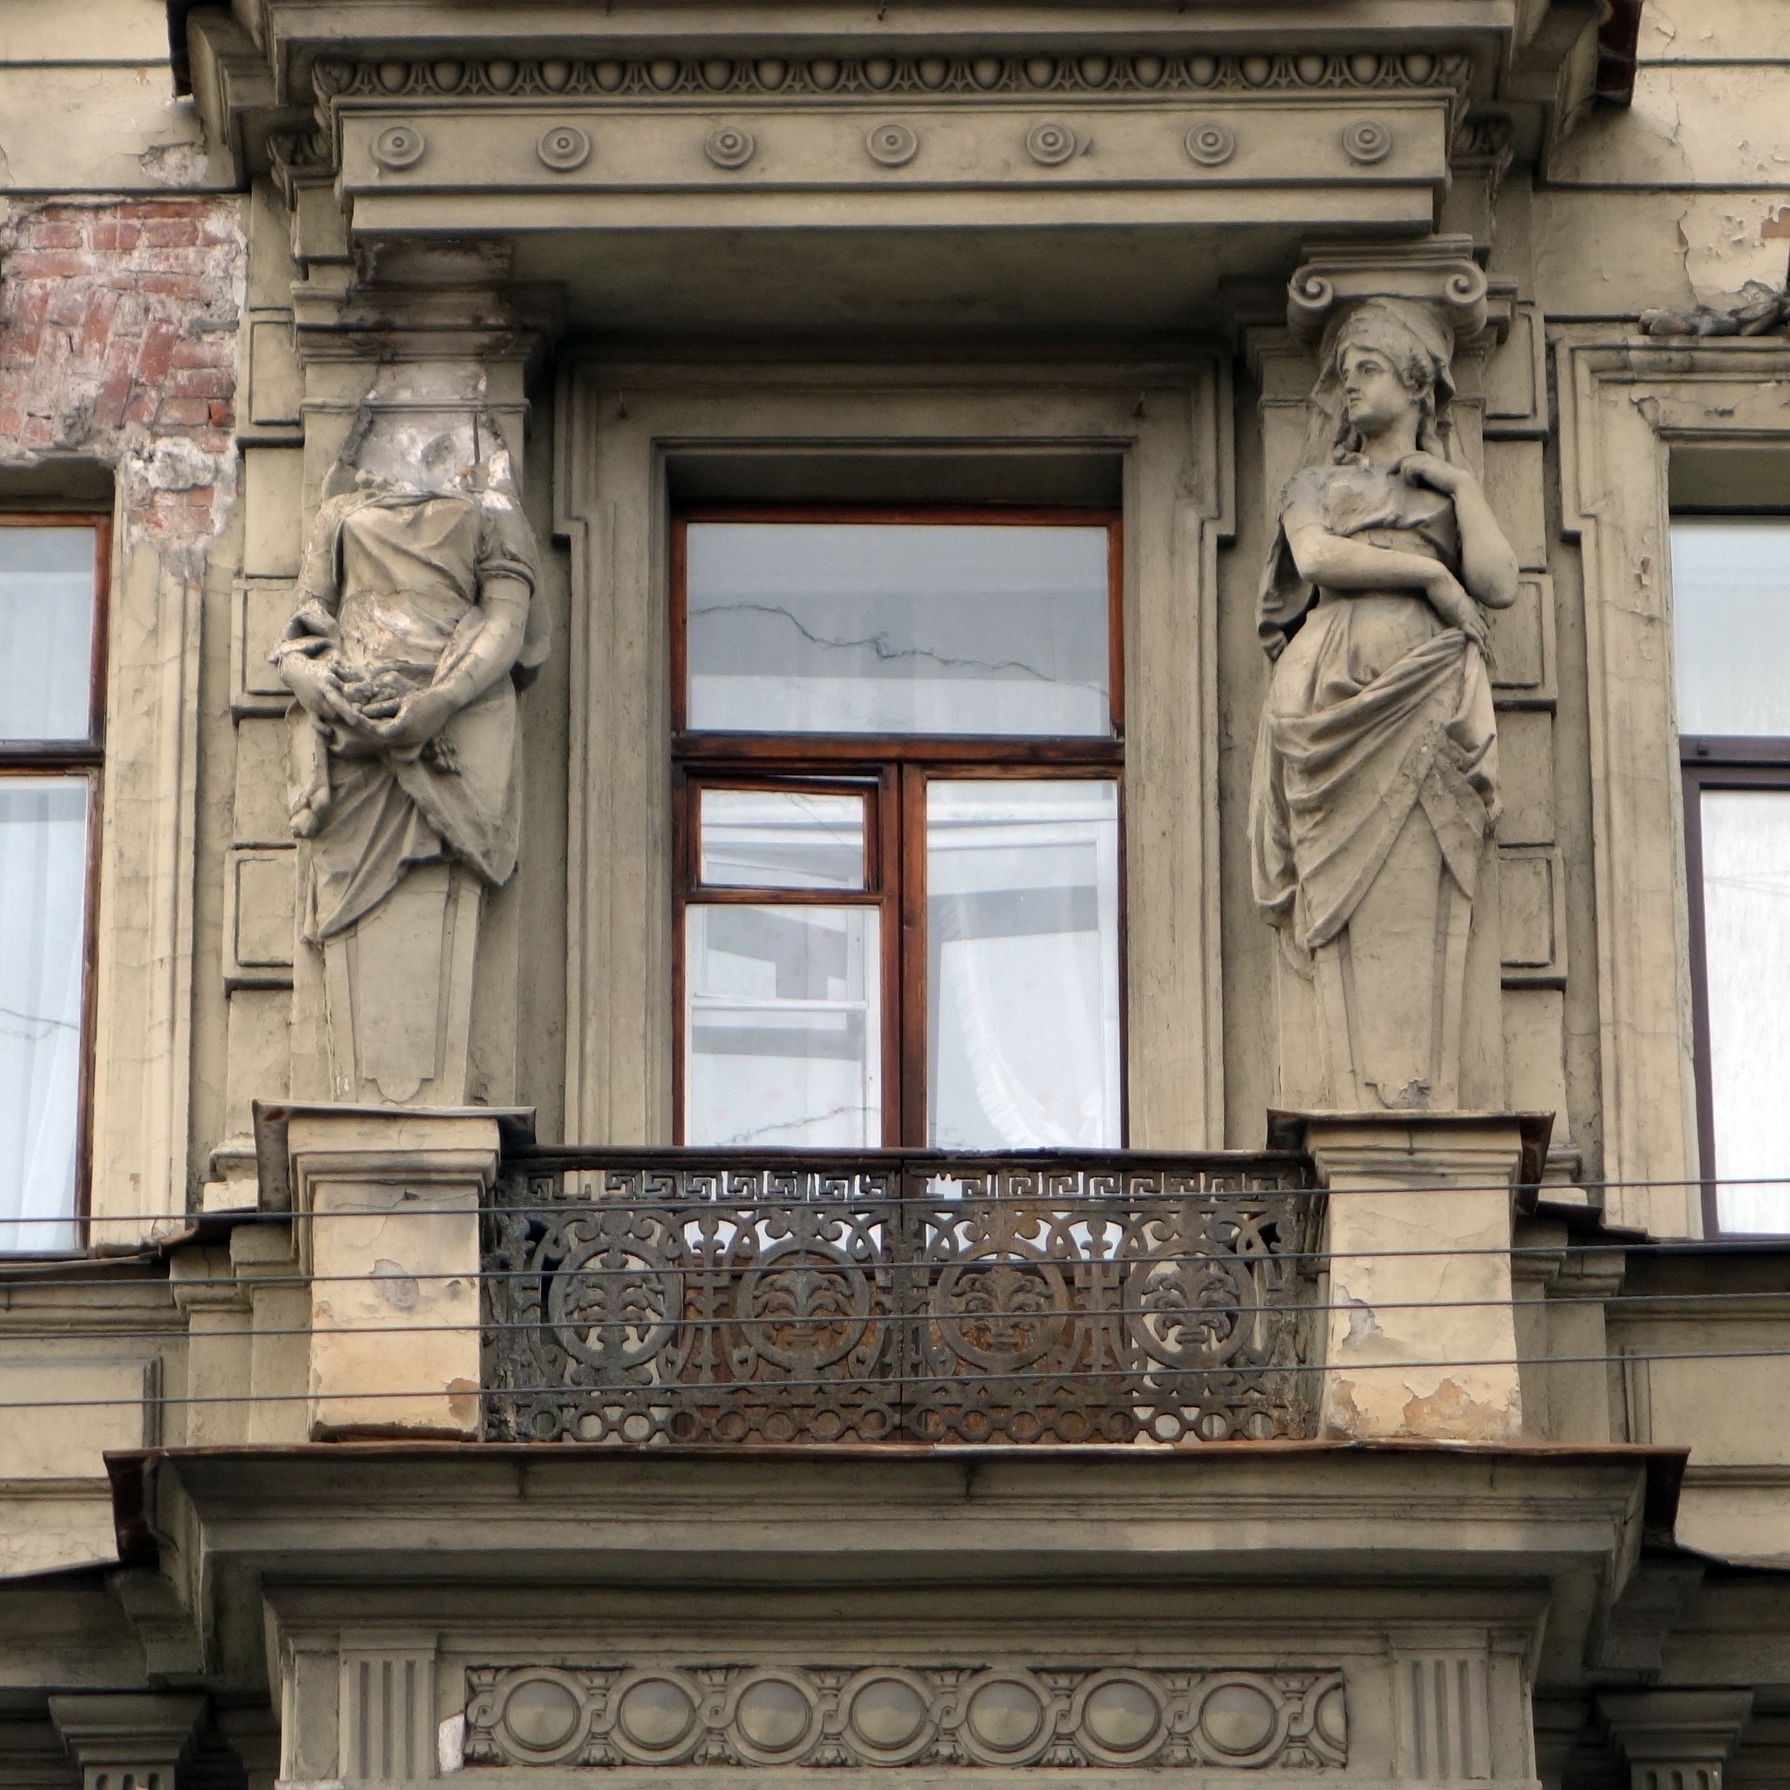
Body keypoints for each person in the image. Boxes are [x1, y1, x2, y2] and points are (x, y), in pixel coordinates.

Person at [1250, 297, 1519, 1108]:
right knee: (1336, 880)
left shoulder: (1444, 495)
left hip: (1428, 678)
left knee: (1423, 866)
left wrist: (1463, 487)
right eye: (1343, 374)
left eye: (1367, 370)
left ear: (1413, 382)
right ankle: (1362, 1093)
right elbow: (1319, 555)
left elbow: (1499, 583)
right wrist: (1429, 575)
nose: (1349, 386)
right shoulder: (1315, 483)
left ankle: (1412, 1092)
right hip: (1331, 678)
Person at [273, 412, 546, 945]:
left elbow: (507, 624)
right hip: (351, 717)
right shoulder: (340, 510)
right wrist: (310, 679)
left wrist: (440, 702)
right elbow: (302, 625)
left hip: (450, 717)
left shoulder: (489, 506)